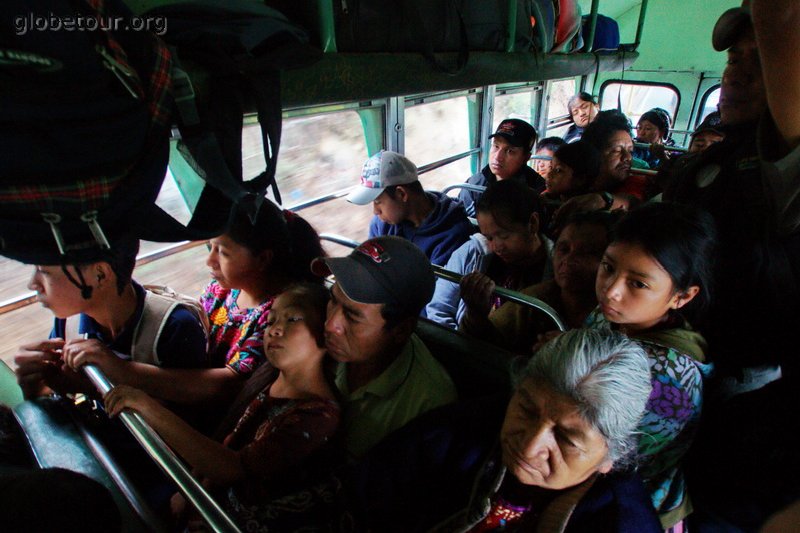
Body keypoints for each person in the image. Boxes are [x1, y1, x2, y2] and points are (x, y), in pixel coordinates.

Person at [664, 2, 800, 530]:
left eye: (760, 60)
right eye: (734, 58)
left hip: (732, 377)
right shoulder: (710, 158)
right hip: (672, 355)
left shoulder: (781, 165)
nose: (738, 72)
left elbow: (783, 21)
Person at [61, 201, 325, 424]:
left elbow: (226, 387)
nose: (210, 261)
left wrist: (121, 370)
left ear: (263, 259)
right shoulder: (222, 290)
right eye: (210, 247)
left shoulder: (280, 314)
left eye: (222, 252)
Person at [104, 283, 340, 531]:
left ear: (325, 332)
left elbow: (231, 467)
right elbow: (227, 439)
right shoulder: (265, 380)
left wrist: (148, 408)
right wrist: (190, 489)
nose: (276, 330)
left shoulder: (317, 416)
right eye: (271, 321)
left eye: (292, 319)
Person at [438, 329, 661, 532]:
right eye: (527, 410)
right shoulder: (453, 433)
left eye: (565, 439)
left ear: (611, 456)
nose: (529, 447)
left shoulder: (623, 524)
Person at [585, 202, 716, 528]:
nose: (611, 291)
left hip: (631, 505)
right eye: (608, 267)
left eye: (638, 284)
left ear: (681, 297)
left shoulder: (668, 383)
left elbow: (594, 453)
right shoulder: (610, 318)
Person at [14, 236, 208, 407]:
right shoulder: (66, 323)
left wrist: (112, 376)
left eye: (43, 271)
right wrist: (38, 387)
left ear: (100, 275)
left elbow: (184, 428)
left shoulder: (173, 326)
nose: (33, 284)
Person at [318, 236, 458, 459]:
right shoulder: (309, 332)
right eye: (333, 300)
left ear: (400, 331)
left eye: (352, 317)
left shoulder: (427, 405)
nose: (330, 325)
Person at [463, 211, 618, 354]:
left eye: (587, 253)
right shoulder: (534, 301)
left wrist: (575, 354)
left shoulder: (621, 318)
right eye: (563, 249)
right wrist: (476, 315)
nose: (569, 260)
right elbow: (491, 344)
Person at [426, 180, 553, 330]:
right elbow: (439, 308)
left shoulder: (556, 270)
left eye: (504, 235)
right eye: (489, 237)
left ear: (532, 223)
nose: (497, 246)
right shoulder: (473, 252)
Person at [348, 150, 474, 268]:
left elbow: (436, 288)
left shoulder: (452, 235)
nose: (375, 211)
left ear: (401, 194)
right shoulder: (381, 224)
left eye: (378, 202)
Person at [551, 110, 650, 231]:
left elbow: (630, 201)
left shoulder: (635, 180)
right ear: (594, 153)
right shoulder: (574, 177)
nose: (628, 158)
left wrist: (602, 200)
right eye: (617, 151)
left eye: (630, 151)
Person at [458, 119, 545, 217]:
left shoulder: (538, 190)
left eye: (510, 151)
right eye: (496, 146)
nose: (498, 157)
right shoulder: (473, 185)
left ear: (526, 158)